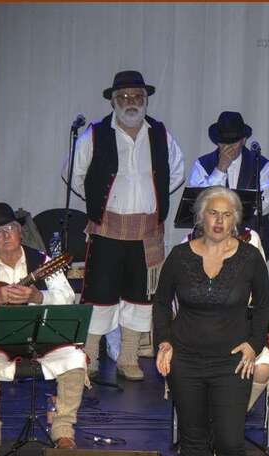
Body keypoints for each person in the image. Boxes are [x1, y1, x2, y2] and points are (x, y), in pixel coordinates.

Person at [153, 186, 269, 456]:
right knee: (193, 442)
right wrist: (164, 341)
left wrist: (254, 344)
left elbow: (264, 307)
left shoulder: (250, 258)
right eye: (213, 213)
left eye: (227, 215)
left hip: (232, 364)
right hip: (186, 361)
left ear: (235, 220)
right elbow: (161, 303)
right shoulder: (179, 256)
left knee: (230, 443)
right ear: (201, 217)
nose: (219, 221)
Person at [73, 70, 184, 381]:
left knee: (140, 298)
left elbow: (176, 171)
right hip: (107, 229)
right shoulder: (94, 134)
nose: (131, 102)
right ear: (113, 101)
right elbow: (74, 174)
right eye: (123, 97)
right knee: (99, 296)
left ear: (145, 100)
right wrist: (98, 201)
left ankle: (128, 358)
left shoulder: (160, 134)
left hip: (146, 233)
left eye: (137, 96)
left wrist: (153, 197)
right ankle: (90, 358)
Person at [0, 203, 87, 450]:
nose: (6, 236)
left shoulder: (42, 261)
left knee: (75, 357)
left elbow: (67, 297)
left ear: (20, 231)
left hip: (40, 340)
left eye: (10, 228)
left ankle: (63, 431)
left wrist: (39, 297)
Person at [188, 111, 269, 259]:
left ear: (244, 140)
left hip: (249, 239)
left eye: (233, 142)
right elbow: (198, 202)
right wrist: (220, 169)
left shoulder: (261, 164)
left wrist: (232, 213)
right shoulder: (202, 164)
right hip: (211, 240)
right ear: (217, 142)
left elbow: (266, 204)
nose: (229, 148)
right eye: (224, 143)